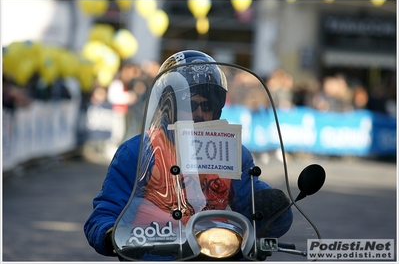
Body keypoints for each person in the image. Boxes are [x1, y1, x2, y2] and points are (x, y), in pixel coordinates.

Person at [84, 50, 293, 260]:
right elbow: (104, 214)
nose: (200, 113)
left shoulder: (230, 149)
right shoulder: (139, 151)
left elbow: (251, 201)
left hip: (217, 253)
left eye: (208, 105)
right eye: (191, 105)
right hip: (156, 256)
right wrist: (111, 235)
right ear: (170, 106)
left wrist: (272, 205)